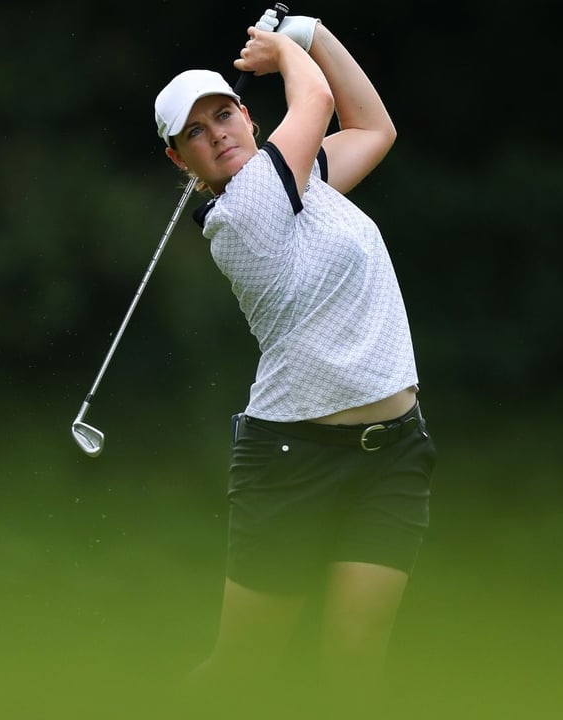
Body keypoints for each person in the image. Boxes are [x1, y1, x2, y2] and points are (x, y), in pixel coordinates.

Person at [151, 9, 436, 718]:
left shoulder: (305, 185)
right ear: (179, 160)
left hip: (393, 453)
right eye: (195, 130)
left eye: (224, 114)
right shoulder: (243, 211)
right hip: (292, 460)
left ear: (248, 118)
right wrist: (285, 47)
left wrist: (312, 33)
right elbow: (315, 101)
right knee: (244, 669)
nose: (217, 133)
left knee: (355, 662)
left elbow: (373, 129)